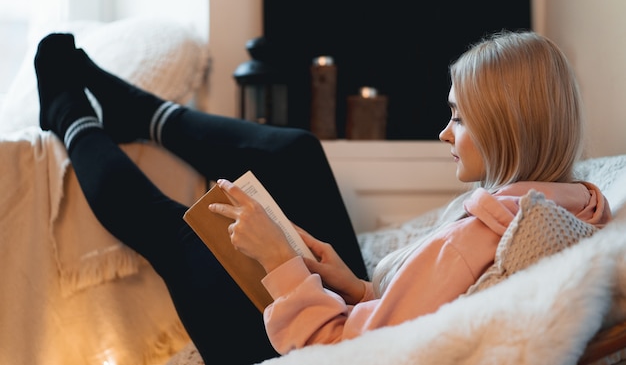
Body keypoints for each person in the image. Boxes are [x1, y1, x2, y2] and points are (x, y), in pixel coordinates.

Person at [34, 30, 612, 363]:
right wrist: (351, 282)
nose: (443, 132)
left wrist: (280, 263)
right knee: (297, 154)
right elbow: (415, 313)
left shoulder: (478, 237)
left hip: (297, 349)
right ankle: (147, 114)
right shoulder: (574, 203)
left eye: (457, 118)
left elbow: (342, 353)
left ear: (506, 127)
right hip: (354, 314)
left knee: (182, 235)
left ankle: (68, 114)